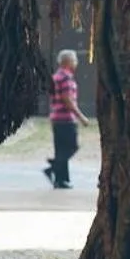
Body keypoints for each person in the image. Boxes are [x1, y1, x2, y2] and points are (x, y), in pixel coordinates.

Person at [45, 49, 88, 189]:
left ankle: (60, 180)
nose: (76, 63)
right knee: (71, 147)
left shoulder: (56, 76)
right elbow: (68, 100)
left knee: (61, 149)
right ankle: (53, 168)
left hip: (56, 117)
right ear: (68, 62)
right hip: (66, 118)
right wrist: (81, 117)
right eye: (74, 60)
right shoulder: (66, 78)